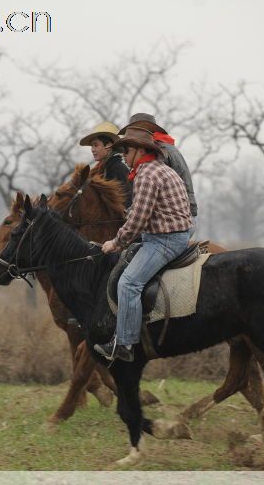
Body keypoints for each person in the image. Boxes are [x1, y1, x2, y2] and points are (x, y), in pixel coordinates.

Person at [94, 127, 193, 362]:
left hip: (165, 240)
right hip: (167, 235)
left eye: (126, 152)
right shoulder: (157, 169)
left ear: (140, 151)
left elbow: (138, 219)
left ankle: (125, 345)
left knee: (128, 284)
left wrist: (116, 242)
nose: (125, 159)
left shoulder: (146, 174)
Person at [118, 113, 197, 235]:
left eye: (138, 130)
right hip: (171, 216)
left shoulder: (162, 152)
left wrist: (131, 214)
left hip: (176, 221)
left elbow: (152, 191)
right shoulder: (151, 151)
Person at [79, 121, 132, 208]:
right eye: (92, 146)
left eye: (96, 145)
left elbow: (127, 202)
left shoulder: (116, 168)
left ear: (108, 146)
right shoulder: (104, 168)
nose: (92, 149)